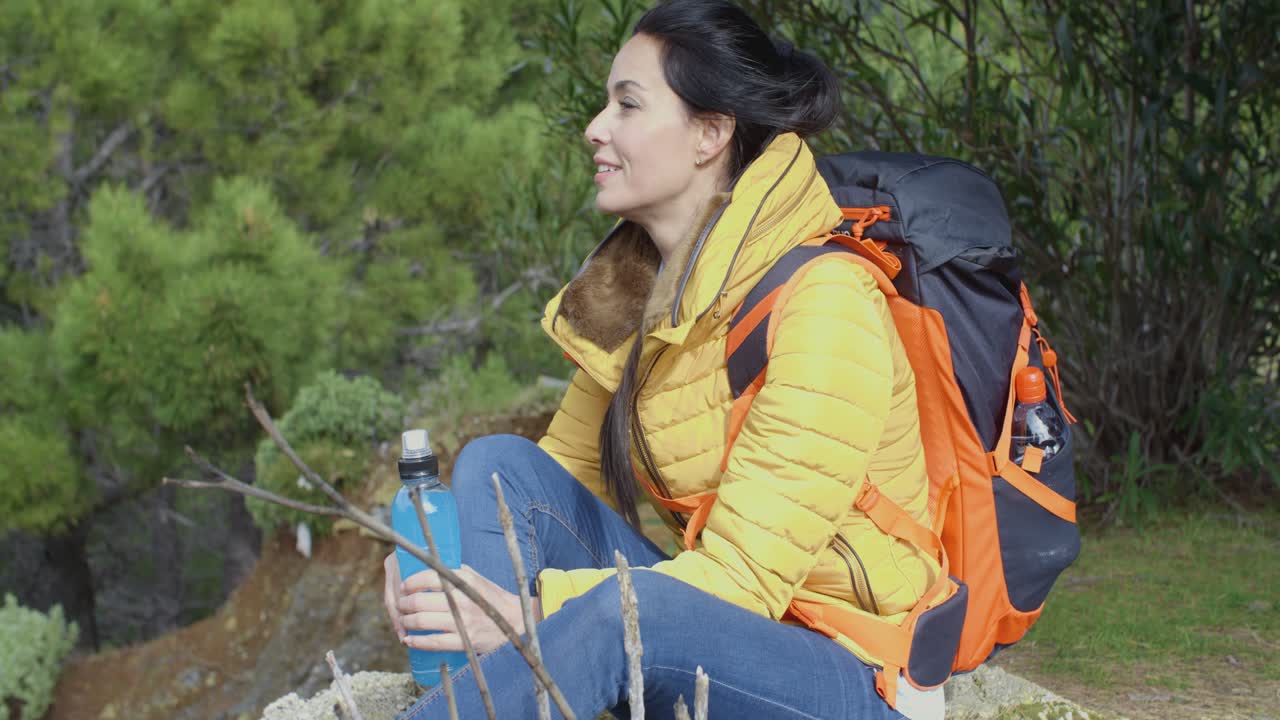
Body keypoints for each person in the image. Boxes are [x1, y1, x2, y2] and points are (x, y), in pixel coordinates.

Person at [384, 1, 943, 717]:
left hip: (853, 667)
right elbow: (553, 486)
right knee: (500, 467)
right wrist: (432, 570)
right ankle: (477, 698)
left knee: (625, 617)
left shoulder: (823, 299)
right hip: (724, 627)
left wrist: (527, 610)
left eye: (627, 105)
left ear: (711, 132)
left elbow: (743, 583)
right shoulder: (640, 289)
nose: (595, 128)